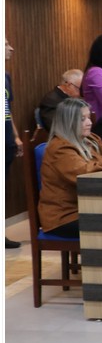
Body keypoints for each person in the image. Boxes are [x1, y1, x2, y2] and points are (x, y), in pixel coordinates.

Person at [38, 98, 102, 237]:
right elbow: (85, 175)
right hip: (67, 216)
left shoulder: (91, 139)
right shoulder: (59, 148)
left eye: (88, 117)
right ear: (69, 122)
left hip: (92, 206)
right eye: (83, 119)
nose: (90, 122)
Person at [6, 38, 24, 248]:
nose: (11, 48)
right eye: (5, 44)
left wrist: (16, 136)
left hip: (7, 140)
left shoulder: (6, 77)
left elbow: (7, 111)